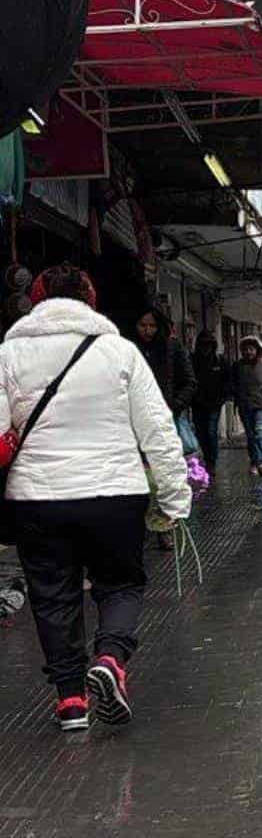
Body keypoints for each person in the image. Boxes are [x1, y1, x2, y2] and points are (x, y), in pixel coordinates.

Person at [1, 264, 190, 730]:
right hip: (114, 493)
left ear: (37, 301)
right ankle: (110, 659)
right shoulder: (119, 351)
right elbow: (158, 429)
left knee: (53, 596)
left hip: (38, 497)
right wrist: (173, 496)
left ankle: (70, 702)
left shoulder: (7, 354)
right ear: (91, 300)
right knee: (120, 584)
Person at [133, 304, 197, 419]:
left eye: (152, 326)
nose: (147, 331)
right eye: (142, 325)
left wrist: (174, 406)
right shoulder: (128, 348)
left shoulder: (172, 347)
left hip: (167, 415)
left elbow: (189, 382)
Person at [231, 336, 262, 476]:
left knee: (259, 432)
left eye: (251, 349)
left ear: (257, 350)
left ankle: (261, 462)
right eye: (246, 349)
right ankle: (254, 462)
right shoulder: (237, 366)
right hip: (245, 405)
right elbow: (232, 383)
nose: (249, 352)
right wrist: (236, 393)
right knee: (250, 435)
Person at [190, 330, 228, 478]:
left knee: (211, 431)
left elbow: (226, 379)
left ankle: (211, 461)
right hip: (198, 403)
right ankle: (207, 456)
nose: (206, 348)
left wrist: (223, 396)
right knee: (200, 432)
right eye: (203, 345)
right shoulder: (193, 360)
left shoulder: (219, 360)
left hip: (214, 403)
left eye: (209, 344)